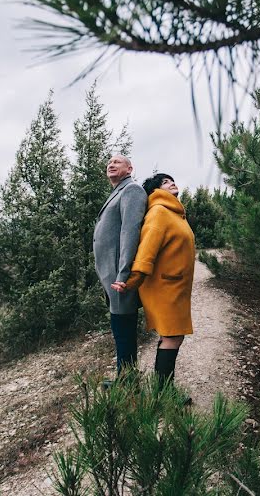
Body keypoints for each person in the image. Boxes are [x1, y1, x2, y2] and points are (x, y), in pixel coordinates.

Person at [112, 173, 194, 388]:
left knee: (171, 336)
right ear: (155, 191)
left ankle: (163, 389)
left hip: (175, 286)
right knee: (173, 336)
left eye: (171, 179)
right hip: (164, 287)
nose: (171, 182)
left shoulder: (175, 213)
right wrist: (132, 280)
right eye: (164, 182)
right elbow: (147, 249)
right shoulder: (159, 211)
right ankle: (164, 391)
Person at [93, 154, 147, 376]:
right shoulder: (118, 191)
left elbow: (129, 232)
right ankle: (125, 377)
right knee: (120, 328)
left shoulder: (132, 190)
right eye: (109, 162)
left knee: (123, 329)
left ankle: (126, 382)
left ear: (130, 168)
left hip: (118, 275)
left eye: (117, 162)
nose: (111, 164)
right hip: (112, 274)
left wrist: (123, 273)